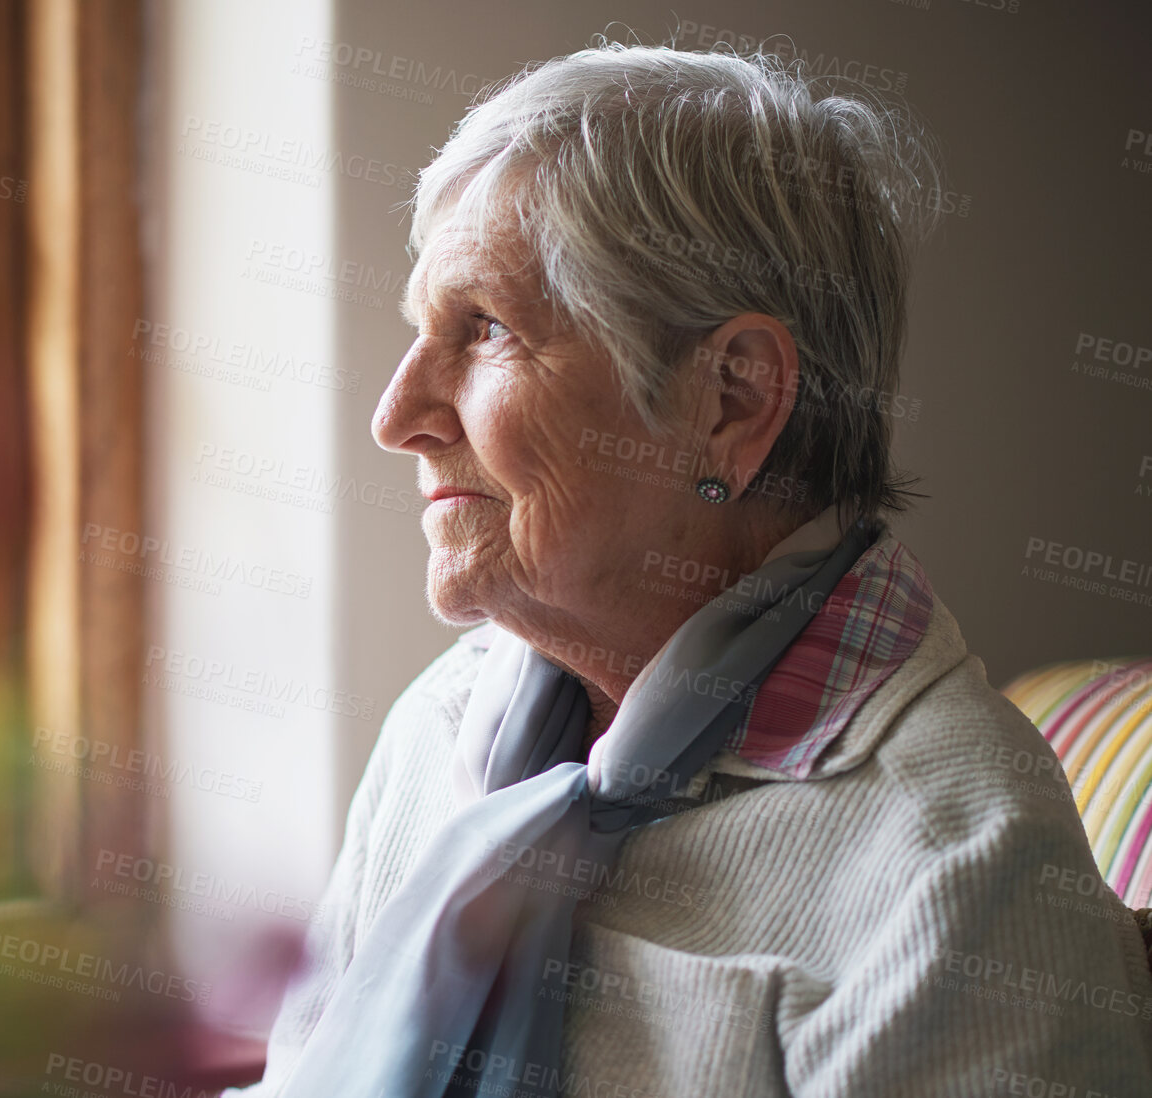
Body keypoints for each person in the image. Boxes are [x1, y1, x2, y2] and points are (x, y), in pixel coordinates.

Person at [226, 43, 1152, 1097]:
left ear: (733, 400)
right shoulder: (438, 730)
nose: (396, 418)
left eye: (484, 328)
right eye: (420, 332)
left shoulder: (960, 872)